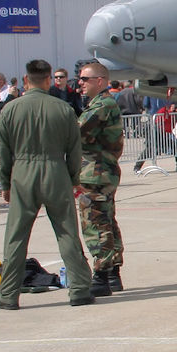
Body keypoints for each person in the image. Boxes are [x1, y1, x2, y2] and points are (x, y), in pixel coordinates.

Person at [0, 59, 95, 309]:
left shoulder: (10, 109)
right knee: (66, 232)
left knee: (16, 236)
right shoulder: (63, 109)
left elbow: (1, 151)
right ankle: (80, 289)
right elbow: (74, 151)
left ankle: (8, 295)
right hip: (55, 170)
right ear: (49, 79)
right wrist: (73, 179)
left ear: (26, 80)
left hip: (23, 172)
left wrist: (5, 183)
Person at [75, 62, 125, 295]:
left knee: (95, 222)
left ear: (100, 81)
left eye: (85, 79)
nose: (81, 83)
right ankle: (113, 272)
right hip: (102, 171)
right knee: (106, 220)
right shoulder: (103, 103)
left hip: (96, 173)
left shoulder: (102, 105)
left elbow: (76, 131)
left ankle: (102, 274)